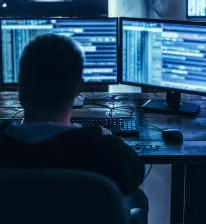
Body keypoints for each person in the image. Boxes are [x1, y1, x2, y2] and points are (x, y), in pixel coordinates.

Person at [0, 34, 148, 217]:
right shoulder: (108, 154)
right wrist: (107, 137)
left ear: (20, 87)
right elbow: (136, 174)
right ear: (79, 88)